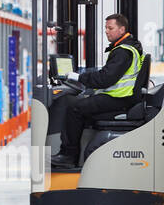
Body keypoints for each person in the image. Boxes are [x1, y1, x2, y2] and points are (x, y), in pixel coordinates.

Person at [49, 13, 144, 171]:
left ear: (121, 29)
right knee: (82, 105)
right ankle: (75, 155)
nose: (107, 31)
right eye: (105, 28)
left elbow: (106, 78)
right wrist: (86, 79)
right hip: (123, 97)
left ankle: (68, 156)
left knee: (75, 108)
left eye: (110, 28)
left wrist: (79, 77)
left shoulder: (123, 51)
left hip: (120, 99)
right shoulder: (128, 47)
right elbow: (108, 75)